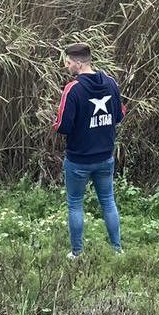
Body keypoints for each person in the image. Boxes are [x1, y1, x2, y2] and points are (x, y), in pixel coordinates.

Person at [53, 43, 125, 259]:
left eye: (67, 62)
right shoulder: (111, 83)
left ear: (78, 62)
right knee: (108, 201)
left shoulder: (72, 89)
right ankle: (117, 249)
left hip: (78, 160)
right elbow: (119, 115)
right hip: (105, 157)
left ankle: (76, 253)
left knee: (75, 204)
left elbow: (62, 126)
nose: (66, 66)